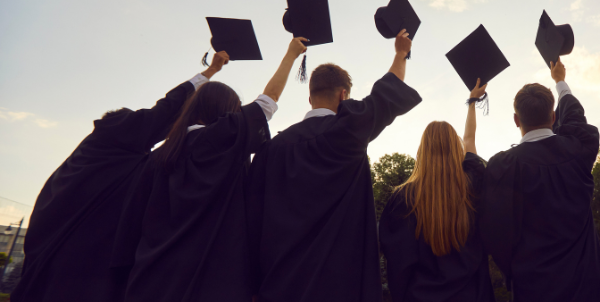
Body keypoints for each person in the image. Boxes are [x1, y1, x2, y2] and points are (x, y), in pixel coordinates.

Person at [11, 52, 225, 302]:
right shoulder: (117, 132)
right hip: (80, 268)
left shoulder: (86, 163)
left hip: (51, 268)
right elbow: (165, 110)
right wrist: (209, 73)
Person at [122, 37, 307, 302]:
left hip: (151, 281)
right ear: (228, 113)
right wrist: (290, 55)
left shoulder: (158, 158)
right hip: (216, 282)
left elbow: (132, 226)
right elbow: (268, 102)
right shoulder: (224, 140)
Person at [249, 29, 421, 302]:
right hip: (343, 285)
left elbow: (252, 222)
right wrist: (400, 53)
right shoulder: (348, 132)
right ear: (344, 96)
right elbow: (387, 94)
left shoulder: (272, 150)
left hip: (280, 285)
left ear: (310, 98)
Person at [480, 59, 600, 301]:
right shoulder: (577, 150)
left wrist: (515, 270)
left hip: (533, 287)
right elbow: (576, 119)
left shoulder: (502, 167)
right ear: (554, 116)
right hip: (588, 287)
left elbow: (496, 233)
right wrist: (560, 82)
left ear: (516, 120)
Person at [379, 79, 494, 302]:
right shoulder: (472, 186)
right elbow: (469, 139)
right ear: (456, 149)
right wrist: (472, 102)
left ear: (422, 151)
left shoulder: (404, 199)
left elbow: (397, 264)